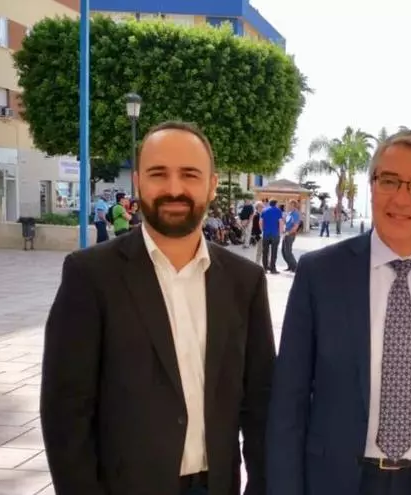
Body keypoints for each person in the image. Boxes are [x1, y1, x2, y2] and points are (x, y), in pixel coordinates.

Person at [40, 121, 276, 495]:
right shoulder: (91, 276)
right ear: (138, 182)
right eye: (158, 174)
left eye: (190, 174)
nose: (174, 188)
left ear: (212, 185)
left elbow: (260, 402)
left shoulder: (245, 281)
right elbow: (65, 411)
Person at [266, 130, 411, 495]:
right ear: (372, 186)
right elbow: (288, 400)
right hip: (337, 481)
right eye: (389, 181)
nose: (401, 198)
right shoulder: (320, 274)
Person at [259, 199, 283, 274]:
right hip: (275, 234)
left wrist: (262, 230)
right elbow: (280, 222)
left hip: (266, 234)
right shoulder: (278, 211)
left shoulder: (264, 210)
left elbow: (260, 222)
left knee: (265, 252)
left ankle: (265, 268)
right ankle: (273, 269)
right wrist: (280, 233)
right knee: (274, 252)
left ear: (269, 203)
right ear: (276, 204)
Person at [281, 199, 301, 272]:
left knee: (288, 252)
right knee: (283, 251)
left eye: (290, 204)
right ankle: (290, 266)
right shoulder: (289, 213)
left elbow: (296, 226)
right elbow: (286, 222)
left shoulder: (295, 214)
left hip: (290, 234)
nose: (289, 206)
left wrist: (288, 233)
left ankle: (296, 267)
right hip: (286, 233)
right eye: (289, 204)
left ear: (294, 205)